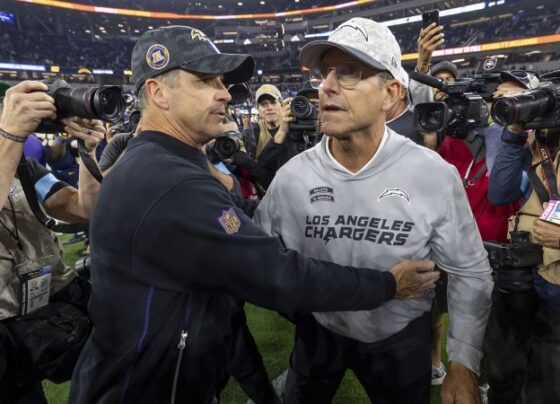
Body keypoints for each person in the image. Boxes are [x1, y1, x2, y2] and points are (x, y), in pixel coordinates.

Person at [69, 25, 440, 404]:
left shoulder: (170, 166)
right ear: (158, 92)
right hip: (142, 389)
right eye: (205, 80)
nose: (224, 93)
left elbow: (221, 303)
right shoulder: (170, 182)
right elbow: (277, 274)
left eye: (222, 81)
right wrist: (388, 285)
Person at [254, 17, 492, 404]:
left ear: (391, 93)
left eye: (350, 72)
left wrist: (463, 362)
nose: (326, 85)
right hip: (319, 331)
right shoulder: (291, 177)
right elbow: (259, 259)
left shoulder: (433, 174)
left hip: (400, 339)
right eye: (325, 72)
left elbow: (470, 271)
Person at [0, 80, 104, 402]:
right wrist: (10, 137)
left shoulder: (23, 167)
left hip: (27, 319)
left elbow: (85, 209)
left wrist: (86, 153)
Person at [485, 69, 560, 404]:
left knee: (547, 380)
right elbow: (499, 193)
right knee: (503, 367)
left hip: (556, 282)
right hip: (523, 266)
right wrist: (515, 130)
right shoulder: (537, 139)